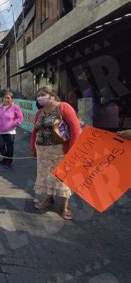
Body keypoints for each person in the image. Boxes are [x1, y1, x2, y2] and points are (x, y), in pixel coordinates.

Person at [31, 86, 81, 220]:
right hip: (43, 151)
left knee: (62, 178)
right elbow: (35, 131)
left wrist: (72, 150)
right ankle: (49, 199)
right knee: (46, 177)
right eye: (38, 95)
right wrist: (33, 148)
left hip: (60, 151)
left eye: (43, 94)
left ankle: (65, 206)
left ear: (52, 95)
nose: (40, 97)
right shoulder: (40, 112)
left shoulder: (63, 107)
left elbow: (75, 129)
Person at [0, 91, 24, 169]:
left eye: (8, 98)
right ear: (2, 98)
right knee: (0, 146)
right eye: (5, 97)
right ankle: (5, 159)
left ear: (11, 99)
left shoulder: (15, 107)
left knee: (9, 147)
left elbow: (20, 118)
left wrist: (13, 124)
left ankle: (9, 162)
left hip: (10, 131)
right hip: (0, 131)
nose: (6, 99)